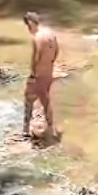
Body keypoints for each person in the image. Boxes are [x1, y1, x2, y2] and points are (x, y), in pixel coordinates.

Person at [21, 11, 59, 141]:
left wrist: (32, 74)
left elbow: (35, 58)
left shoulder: (37, 38)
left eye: (28, 25)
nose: (28, 29)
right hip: (49, 73)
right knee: (45, 99)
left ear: (31, 23)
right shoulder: (50, 34)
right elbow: (56, 52)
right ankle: (50, 127)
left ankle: (26, 130)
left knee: (29, 98)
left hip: (38, 76)